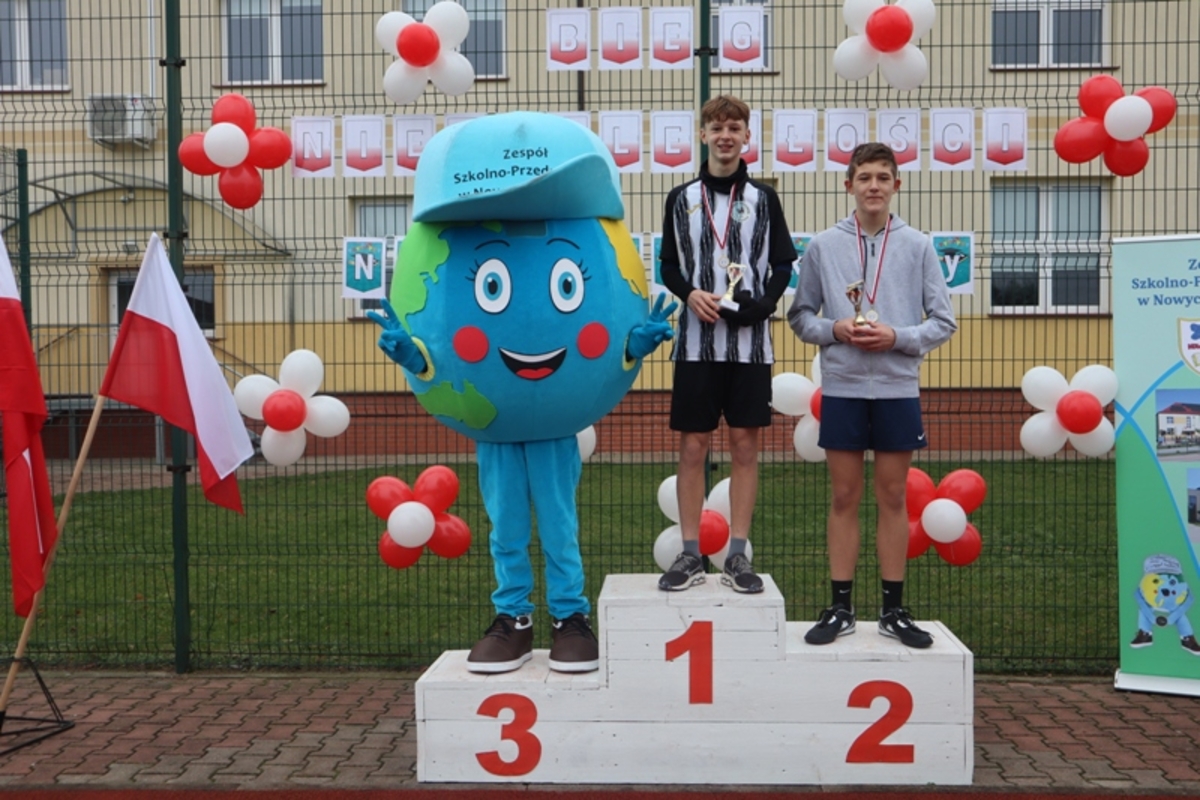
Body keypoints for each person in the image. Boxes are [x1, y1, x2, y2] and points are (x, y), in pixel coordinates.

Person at [788, 142, 956, 648]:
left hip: (896, 389)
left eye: (883, 177)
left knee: (892, 496)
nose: (874, 186)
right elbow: (800, 316)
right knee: (844, 496)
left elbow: (943, 321)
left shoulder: (918, 246)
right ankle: (840, 606)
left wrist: (897, 337)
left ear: (896, 185)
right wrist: (836, 329)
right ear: (849, 186)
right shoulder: (823, 246)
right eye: (865, 178)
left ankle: (892, 610)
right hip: (843, 387)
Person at [656, 95, 797, 594]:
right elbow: (667, 266)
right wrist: (689, 294)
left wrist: (764, 305)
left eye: (734, 128)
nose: (725, 136)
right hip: (695, 346)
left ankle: (737, 553)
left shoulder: (764, 198)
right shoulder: (680, 198)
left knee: (744, 445)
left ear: (746, 137)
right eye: (716, 128)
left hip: (749, 347)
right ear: (703, 135)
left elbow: (783, 264)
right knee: (693, 446)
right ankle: (690, 552)